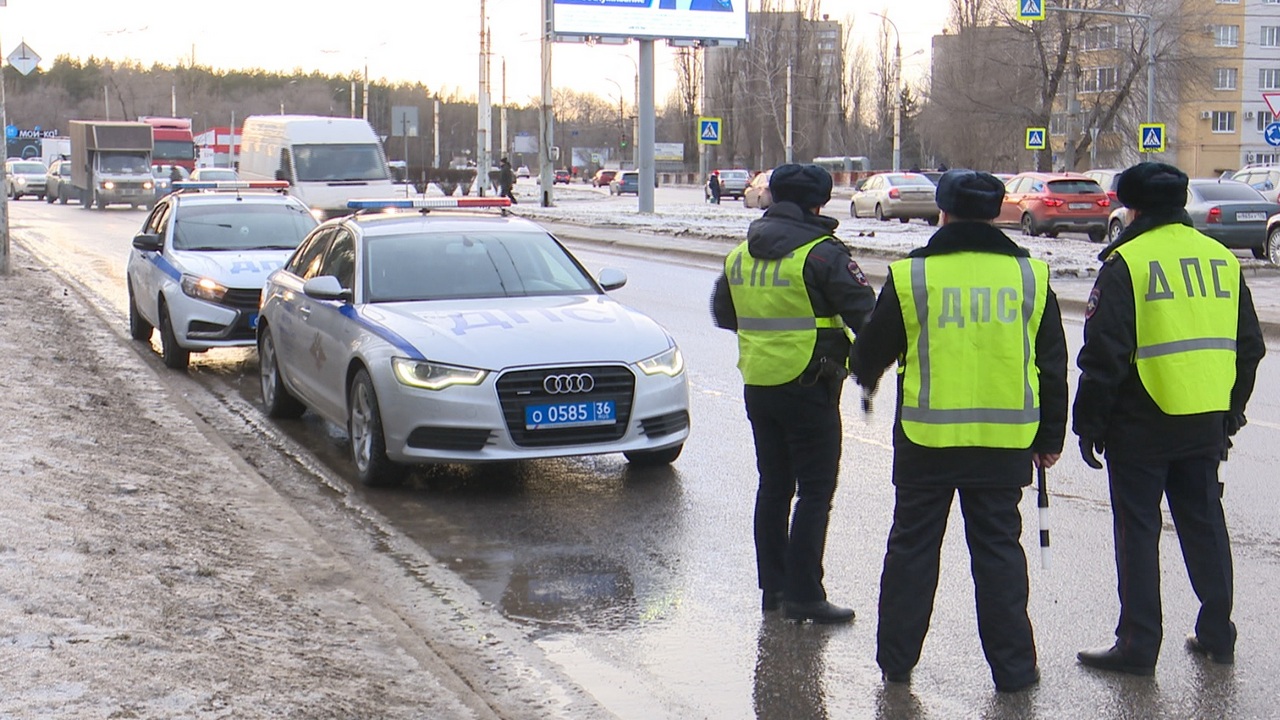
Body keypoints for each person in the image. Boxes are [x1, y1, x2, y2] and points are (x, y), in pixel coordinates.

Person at [848, 169, 1068, 692]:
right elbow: (1053, 366)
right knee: (998, 556)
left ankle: (896, 663)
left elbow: (870, 355)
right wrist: (1051, 438)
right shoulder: (1030, 276)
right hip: (1004, 443)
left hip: (927, 442)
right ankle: (1014, 671)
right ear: (996, 213)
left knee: (912, 553)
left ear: (942, 213)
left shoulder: (912, 276)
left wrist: (864, 370)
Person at [1073, 162, 1265, 676]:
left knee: (1138, 530)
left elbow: (1104, 356)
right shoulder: (1221, 259)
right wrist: (1231, 410)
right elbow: (1250, 347)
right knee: (1204, 525)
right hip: (1204, 419)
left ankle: (1138, 645)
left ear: (1131, 208)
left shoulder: (1127, 263)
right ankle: (1217, 632)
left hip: (1141, 420)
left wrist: (1089, 423)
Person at [711, 163, 877, 624]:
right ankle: (805, 593)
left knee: (774, 486)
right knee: (815, 490)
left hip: (759, 384)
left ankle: (774, 589)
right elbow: (868, 317)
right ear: (818, 204)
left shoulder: (742, 253)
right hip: (810, 384)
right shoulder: (823, 254)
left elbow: (723, 314)